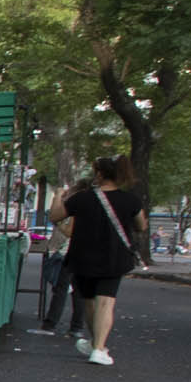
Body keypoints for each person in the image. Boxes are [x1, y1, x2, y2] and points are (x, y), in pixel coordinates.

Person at [51, 157, 143, 367]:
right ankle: (98, 349)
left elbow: (56, 216)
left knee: (90, 301)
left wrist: (57, 196)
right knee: (106, 302)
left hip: (82, 256)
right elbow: (141, 225)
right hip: (114, 256)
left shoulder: (82, 198)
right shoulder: (130, 200)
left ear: (100, 174)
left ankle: (95, 344)